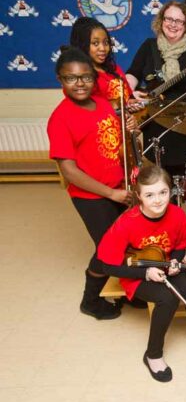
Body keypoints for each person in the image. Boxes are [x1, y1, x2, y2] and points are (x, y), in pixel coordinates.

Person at [98, 166, 186, 382]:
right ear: (139, 196)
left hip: (165, 263)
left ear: (171, 191)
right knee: (167, 299)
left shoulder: (177, 214)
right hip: (135, 272)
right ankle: (153, 354)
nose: (158, 200)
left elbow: (181, 246)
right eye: (149, 195)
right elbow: (107, 266)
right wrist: (145, 273)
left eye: (163, 192)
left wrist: (174, 260)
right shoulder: (127, 222)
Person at [47, 46, 136, 320]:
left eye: (85, 77)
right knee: (108, 247)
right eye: (71, 78)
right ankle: (91, 301)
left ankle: (132, 291)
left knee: (131, 239)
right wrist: (112, 193)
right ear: (60, 79)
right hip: (92, 195)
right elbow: (69, 171)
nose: (80, 83)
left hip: (119, 186)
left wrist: (130, 126)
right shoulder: (60, 118)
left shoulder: (103, 103)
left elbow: (114, 142)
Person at [125, 0, 186, 233]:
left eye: (179, 21)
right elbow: (132, 74)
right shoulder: (149, 47)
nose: (173, 24)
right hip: (156, 119)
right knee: (160, 171)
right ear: (161, 21)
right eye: (169, 19)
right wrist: (128, 93)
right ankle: (167, 216)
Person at [69, 17, 133, 105]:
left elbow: (128, 98)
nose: (103, 48)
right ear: (82, 45)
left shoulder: (115, 69)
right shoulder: (80, 78)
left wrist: (133, 104)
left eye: (106, 42)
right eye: (95, 43)